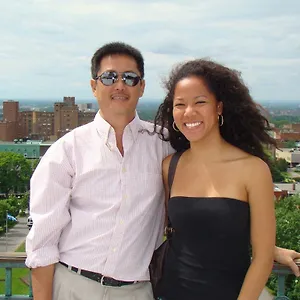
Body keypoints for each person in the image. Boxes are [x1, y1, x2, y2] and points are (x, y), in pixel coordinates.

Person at [25, 42, 300, 300]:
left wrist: (266, 249)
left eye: (130, 78)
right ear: (94, 86)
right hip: (75, 286)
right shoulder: (66, 152)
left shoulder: (163, 147)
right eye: (109, 77)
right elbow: (42, 244)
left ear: (142, 86)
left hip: (139, 291)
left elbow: (210, 213)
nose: (120, 85)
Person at [152, 59, 291, 300]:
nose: (189, 112)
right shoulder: (170, 167)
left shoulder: (253, 169)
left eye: (200, 102)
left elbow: (262, 258)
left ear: (219, 108)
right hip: (168, 293)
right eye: (180, 104)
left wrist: (270, 249)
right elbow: (190, 230)